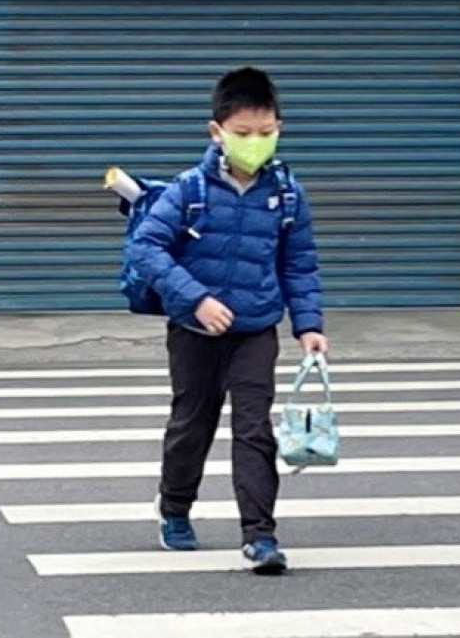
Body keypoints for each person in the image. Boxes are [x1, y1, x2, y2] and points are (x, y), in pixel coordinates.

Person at [129, 66, 328, 575]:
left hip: (256, 329)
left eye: (266, 133)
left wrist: (308, 324)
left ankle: (260, 536)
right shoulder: (188, 190)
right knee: (192, 426)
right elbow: (147, 247)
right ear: (216, 132)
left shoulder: (286, 195)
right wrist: (195, 299)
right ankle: (174, 508)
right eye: (243, 134)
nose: (255, 143)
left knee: (254, 430)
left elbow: (298, 263)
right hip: (194, 331)